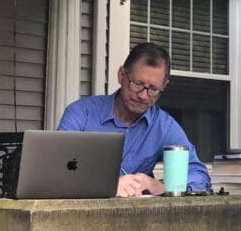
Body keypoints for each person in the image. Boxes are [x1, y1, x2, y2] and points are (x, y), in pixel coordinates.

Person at [57, 42, 211, 197]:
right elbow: (58, 169)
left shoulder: (164, 127)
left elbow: (199, 176)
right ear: (121, 76)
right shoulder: (81, 113)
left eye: (153, 89)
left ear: (164, 86)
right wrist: (107, 186)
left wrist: (161, 185)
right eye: (137, 84)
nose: (143, 96)